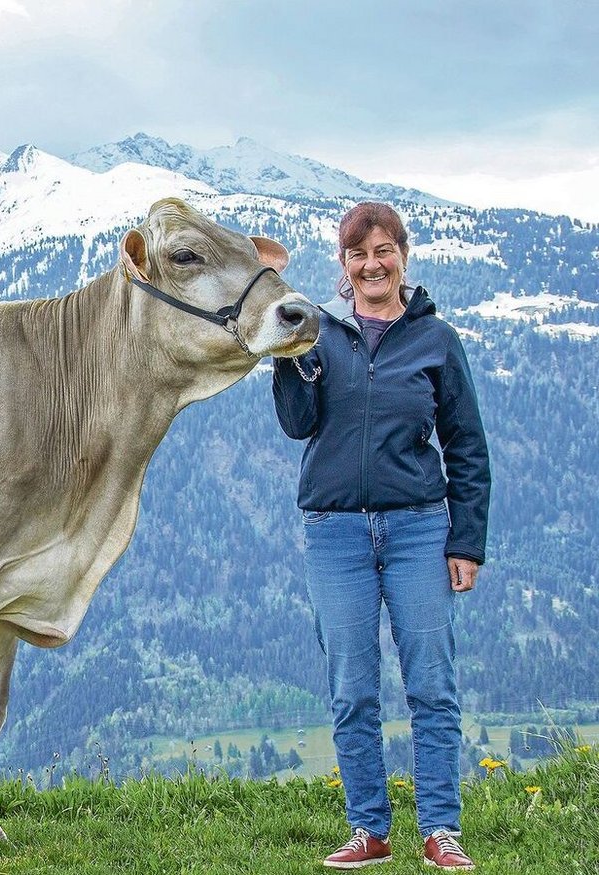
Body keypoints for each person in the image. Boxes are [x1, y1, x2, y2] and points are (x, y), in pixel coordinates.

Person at [273, 202, 490, 870]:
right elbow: (297, 424)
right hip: (334, 532)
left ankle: (441, 831)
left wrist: (466, 542)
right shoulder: (317, 334)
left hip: (419, 529)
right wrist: (290, 358)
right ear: (343, 265)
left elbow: (467, 445)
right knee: (352, 689)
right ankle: (369, 830)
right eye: (358, 254)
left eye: (383, 251)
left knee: (432, 685)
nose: (372, 265)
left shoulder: (436, 340)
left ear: (402, 256)